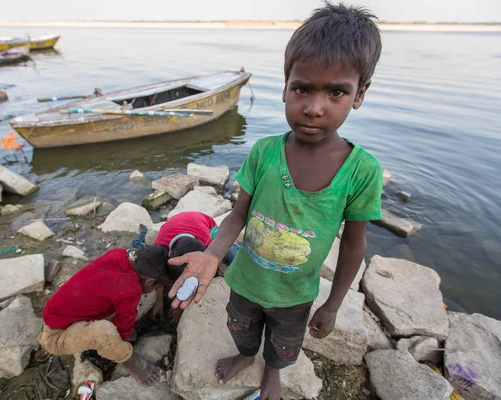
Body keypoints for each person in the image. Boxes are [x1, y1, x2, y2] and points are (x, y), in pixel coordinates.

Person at [167, 4, 383, 400]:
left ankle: (273, 374)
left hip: (296, 294)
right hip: (245, 282)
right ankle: (247, 357)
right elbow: (237, 216)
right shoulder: (265, 152)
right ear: (285, 86)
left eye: (336, 92)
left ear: (359, 94)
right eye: (302, 88)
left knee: (285, 343)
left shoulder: (361, 170)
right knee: (242, 328)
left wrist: (333, 305)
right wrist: (213, 254)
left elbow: (354, 245)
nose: (314, 106)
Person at [38, 247, 172, 385]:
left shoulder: (119, 254)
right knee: (105, 332)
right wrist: (122, 342)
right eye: (155, 288)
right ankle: (134, 364)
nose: (153, 290)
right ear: (149, 281)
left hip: (57, 313)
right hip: (56, 335)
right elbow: (123, 327)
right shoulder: (130, 290)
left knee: (121, 320)